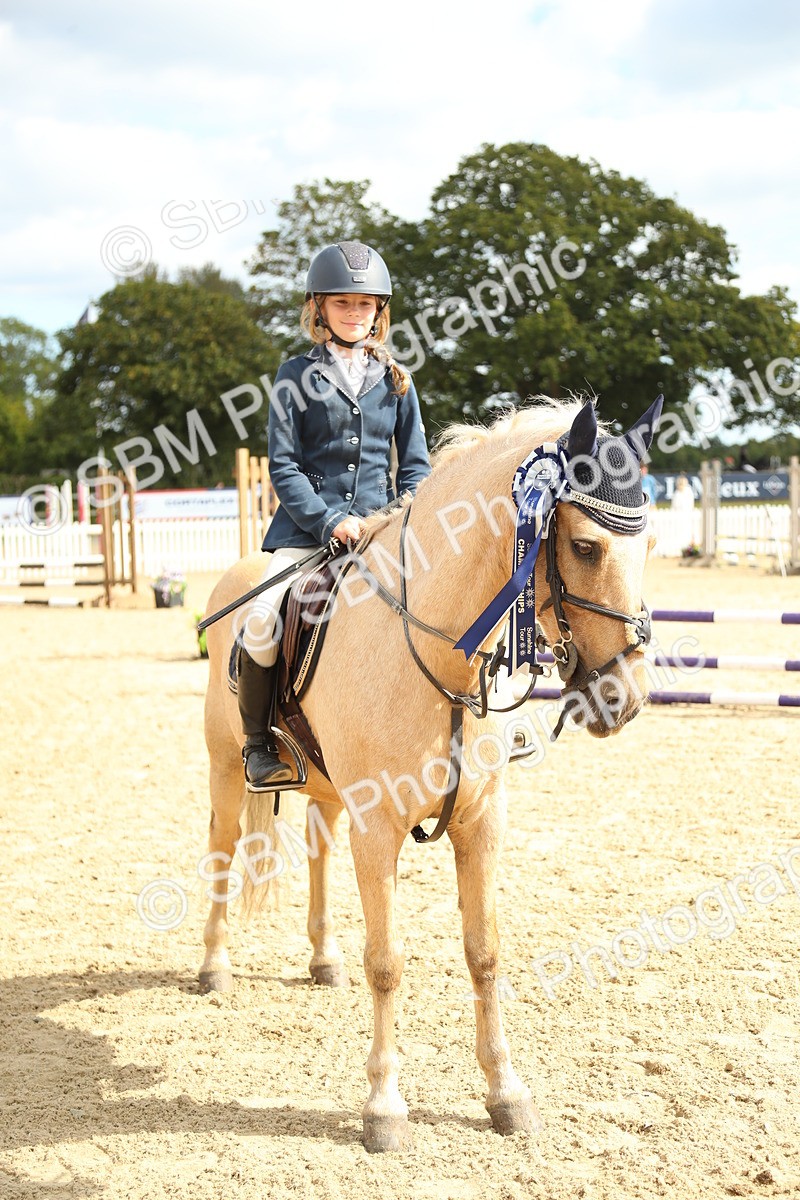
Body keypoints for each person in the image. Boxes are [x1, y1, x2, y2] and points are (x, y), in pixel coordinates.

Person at [236, 241, 432, 791]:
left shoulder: (398, 380)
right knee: (263, 619)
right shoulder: (294, 375)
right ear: (318, 308)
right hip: (308, 533)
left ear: (379, 310)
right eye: (342, 302)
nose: (354, 312)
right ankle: (258, 745)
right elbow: (284, 465)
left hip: (381, 533)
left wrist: (393, 521)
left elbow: (415, 467)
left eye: (364, 303)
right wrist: (328, 522)